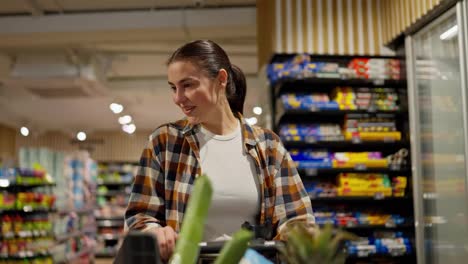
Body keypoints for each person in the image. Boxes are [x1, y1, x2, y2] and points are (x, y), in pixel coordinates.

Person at [125, 40, 314, 261]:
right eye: (173, 87)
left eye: (188, 85)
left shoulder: (268, 146)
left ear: (221, 79)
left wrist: (295, 241)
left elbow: (297, 219)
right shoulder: (165, 142)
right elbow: (140, 216)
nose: (178, 98)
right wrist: (154, 232)